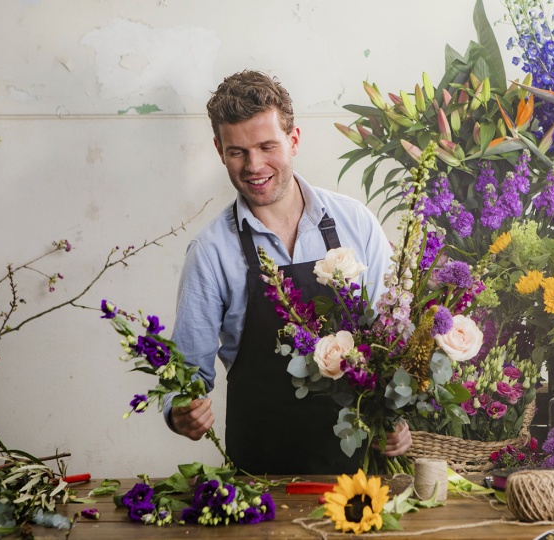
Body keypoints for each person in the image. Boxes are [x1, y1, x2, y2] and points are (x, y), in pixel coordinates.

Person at [164, 70, 411, 475]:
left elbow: (394, 336)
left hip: (363, 472)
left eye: (267, 146)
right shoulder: (210, 252)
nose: (254, 165)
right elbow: (186, 374)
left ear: (293, 140)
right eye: (237, 151)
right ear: (218, 150)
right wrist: (180, 412)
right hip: (263, 480)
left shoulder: (355, 223)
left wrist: (400, 419)